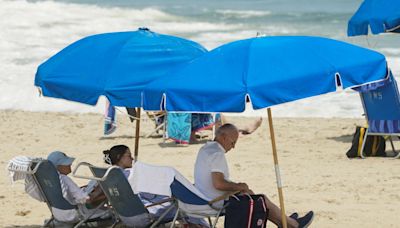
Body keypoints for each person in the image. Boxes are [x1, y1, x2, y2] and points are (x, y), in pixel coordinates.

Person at [194, 124, 314, 228]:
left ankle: (284, 221)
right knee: (260, 199)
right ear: (224, 137)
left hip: (202, 195)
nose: (233, 146)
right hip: (213, 201)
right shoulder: (217, 154)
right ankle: (293, 224)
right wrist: (239, 186)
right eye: (233, 142)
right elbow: (218, 183)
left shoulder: (206, 149)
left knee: (252, 194)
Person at [102, 145, 208, 227]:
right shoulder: (131, 175)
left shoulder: (111, 175)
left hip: (124, 215)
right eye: (129, 156)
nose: (132, 158)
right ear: (119, 157)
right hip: (144, 215)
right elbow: (149, 195)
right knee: (186, 207)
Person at [47, 151, 108, 223]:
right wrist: (106, 196)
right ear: (58, 167)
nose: (70, 164)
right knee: (107, 211)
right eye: (66, 163)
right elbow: (86, 200)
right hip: (73, 215)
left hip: (57, 213)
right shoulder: (64, 179)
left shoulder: (50, 181)